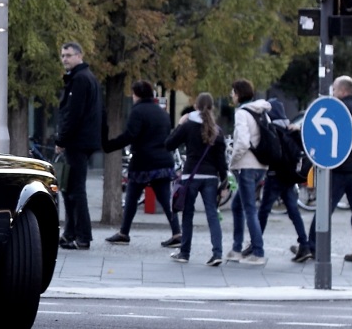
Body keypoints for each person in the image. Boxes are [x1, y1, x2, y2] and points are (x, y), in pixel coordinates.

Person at [295, 75, 352, 263]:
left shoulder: (340, 110)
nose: (333, 93)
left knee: (324, 207)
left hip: (339, 167)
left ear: (343, 91)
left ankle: (311, 246)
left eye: (335, 89)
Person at [102, 79, 181, 248]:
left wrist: (110, 146)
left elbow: (130, 135)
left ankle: (124, 232)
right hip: (163, 161)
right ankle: (177, 232)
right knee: (166, 200)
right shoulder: (162, 113)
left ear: (136, 94)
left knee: (131, 197)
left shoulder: (137, 112)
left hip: (143, 162)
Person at [165, 92, 229, 265]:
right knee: (212, 215)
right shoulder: (217, 130)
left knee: (188, 215)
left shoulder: (188, 126)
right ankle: (217, 253)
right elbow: (221, 161)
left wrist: (179, 124)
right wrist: (225, 183)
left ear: (195, 106)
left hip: (190, 176)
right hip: (210, 177)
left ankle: (184, 253)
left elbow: (169, 144)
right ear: (212, 108)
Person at [54, 42, 103, 250]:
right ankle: (71, 233)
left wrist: (61, 141)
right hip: (83, 141)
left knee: (75, 189)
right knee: (69, 188)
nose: (64, 59)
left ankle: (82, 236)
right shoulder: (87, 78)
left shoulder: (80, 80)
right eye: (62, 55)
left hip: (77, 142)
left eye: (68, 55)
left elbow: (73, 114)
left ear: (79, 56)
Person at [253, 98, 309, 260]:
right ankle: (304, 244)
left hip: (275, 175)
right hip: (289, 176)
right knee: (293, 210)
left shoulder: (273, 129)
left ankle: (256, 244)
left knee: (263, 210)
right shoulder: (290, 128)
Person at [226, 79, 272, 265]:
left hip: (246, 165)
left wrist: (232, 161)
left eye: (232, 92)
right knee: (238, 206)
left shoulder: (242, 114)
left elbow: (243, 142)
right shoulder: (262, 112)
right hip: (261, 165)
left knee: (249, 209)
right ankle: (237, 248)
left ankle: (258, 252)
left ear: (238, 93)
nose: (231, 95)